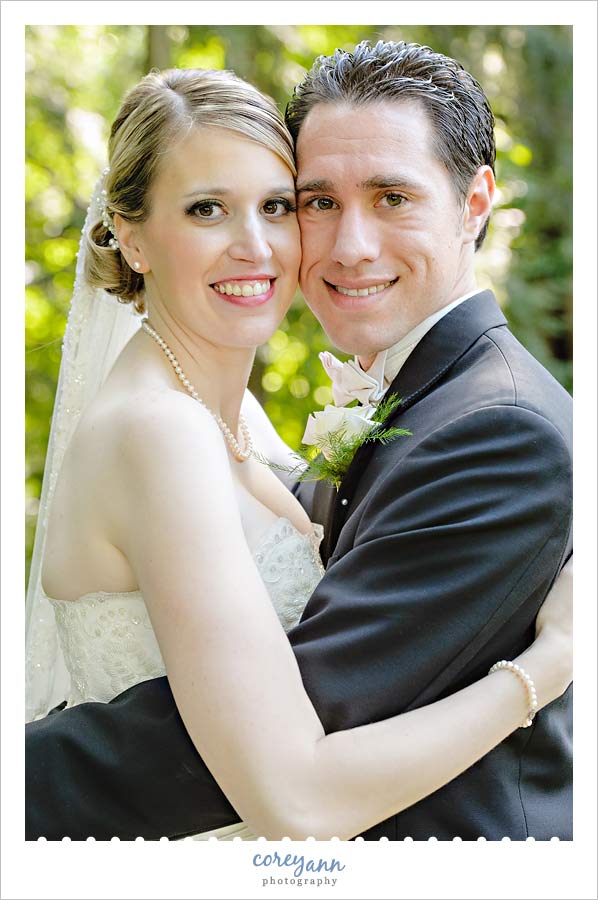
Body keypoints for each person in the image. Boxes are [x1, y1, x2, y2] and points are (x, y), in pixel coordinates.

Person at [25, 43, 573, 841]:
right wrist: (547, 666)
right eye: (317, 201)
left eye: (277, 207)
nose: (339, 245)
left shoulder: (492, 428)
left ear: (474, 203)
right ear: (130, 238)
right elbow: (291, 773)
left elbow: (308, 700)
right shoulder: (168, 425)